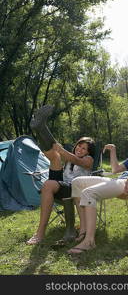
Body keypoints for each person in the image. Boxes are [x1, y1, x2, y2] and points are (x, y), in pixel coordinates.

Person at [26, 105, 95, 245]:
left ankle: (40, 233)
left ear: (89, 152)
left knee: (49, 181)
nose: (80, 149)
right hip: (62, 186)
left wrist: (62, 151)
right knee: (54, 156)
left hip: (76, 190)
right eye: (78, 146)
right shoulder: (70, 158)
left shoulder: (88, 161)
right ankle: (40, 128)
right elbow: (56, 153)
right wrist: (60, 151)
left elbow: (76, 160)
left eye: (84, 149)